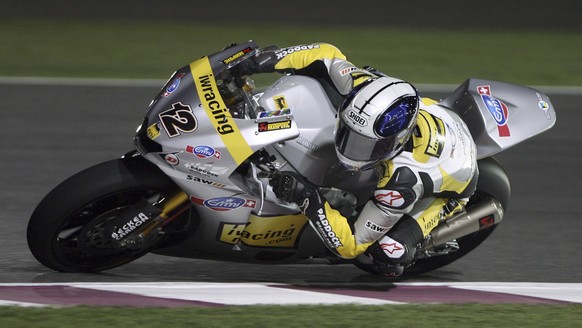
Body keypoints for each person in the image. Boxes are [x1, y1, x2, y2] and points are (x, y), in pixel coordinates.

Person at [236, 43, 478, 276]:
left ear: (397, 141)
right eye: (350, 135)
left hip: (456, 180)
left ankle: (416, 244)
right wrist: (264, 60)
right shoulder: (363, 86)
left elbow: (350, 245)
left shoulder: (402, 181)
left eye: (367, 145)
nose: (352, 150)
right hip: (435, 116)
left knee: (387, 254)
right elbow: (325, 54)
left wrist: (307, 196)